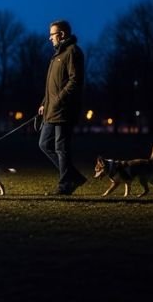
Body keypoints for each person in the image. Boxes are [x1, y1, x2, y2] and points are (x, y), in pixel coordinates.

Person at [38, 19, 87, 195]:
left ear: (62, 34)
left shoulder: (73, 52)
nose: (49, 38)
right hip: (52, 109)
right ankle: (74, 176)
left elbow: (75, 81)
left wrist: (58, 100)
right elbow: (52, 84)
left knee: (61, 147)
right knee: (44, 144)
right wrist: (45, 103)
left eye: (52, 34)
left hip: (65, 110)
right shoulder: (58, 54)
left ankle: (65, 184)